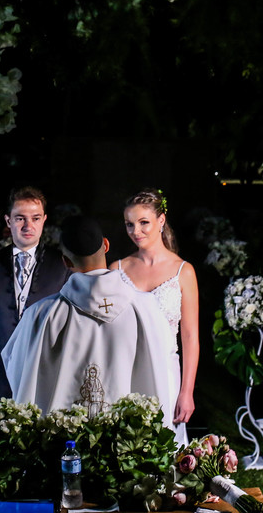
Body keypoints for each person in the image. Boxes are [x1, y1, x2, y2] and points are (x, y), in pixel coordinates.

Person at [1, 216, 176, 430]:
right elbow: (164, 368)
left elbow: (18, 370)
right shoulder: (146, 309)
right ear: (106, 245)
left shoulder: (41, 315)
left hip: (63, 442)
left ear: (65, 261)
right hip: (130, 440)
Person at [0, 186, 70, 422]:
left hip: (44, 377)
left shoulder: (61, 264)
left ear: (44, 220)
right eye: (20, 218)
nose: (28, 226)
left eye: (35, 218)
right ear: (8, 221)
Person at [110, 189, 199, 441]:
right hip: (125, 371)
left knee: (165, 445)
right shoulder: (116, 269)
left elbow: (190, 337)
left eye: (143, 222)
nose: (135, 231)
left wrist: (187, 392)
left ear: (161, 221)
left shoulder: (183, 271)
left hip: (166, 373)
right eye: (129, 224)